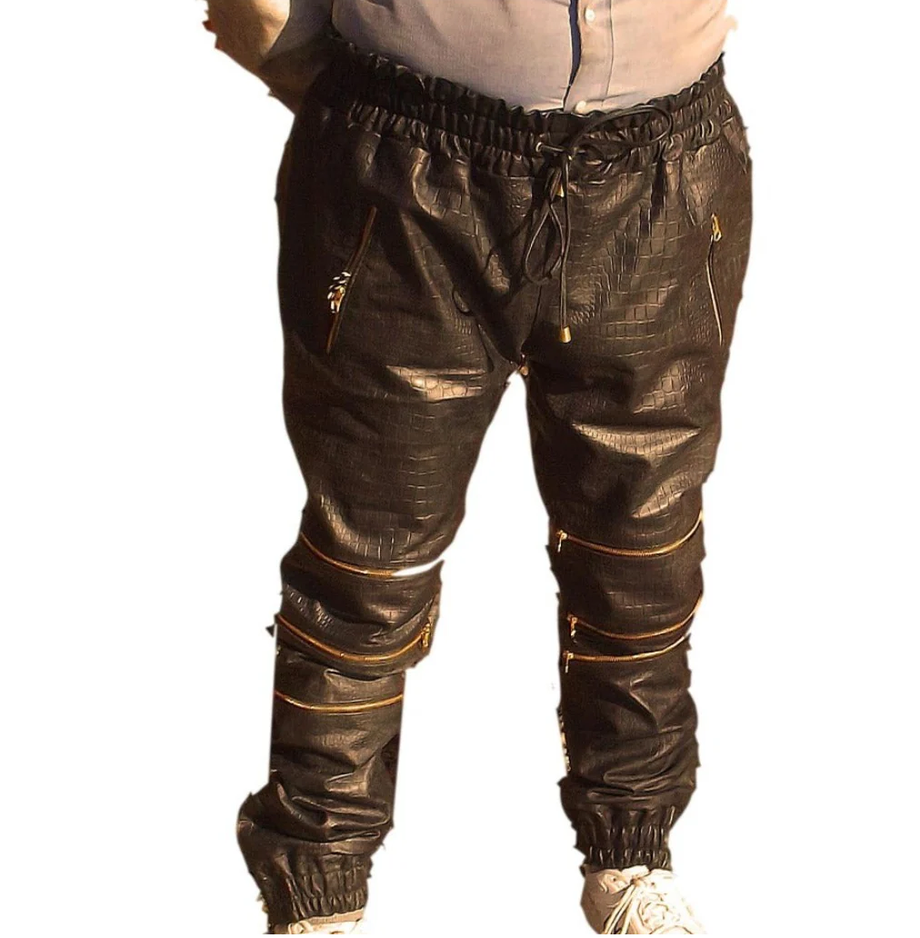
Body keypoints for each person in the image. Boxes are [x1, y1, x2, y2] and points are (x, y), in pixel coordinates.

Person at [203, 2, 753, 933]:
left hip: (666, 165)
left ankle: (631, 855)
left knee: (643, 545)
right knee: (370, 558)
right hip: (408, 168)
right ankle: (319, 891)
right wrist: (356, 98)